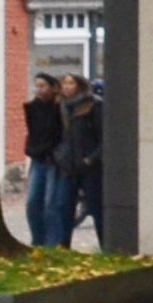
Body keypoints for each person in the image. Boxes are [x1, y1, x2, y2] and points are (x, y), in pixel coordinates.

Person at [57, 69, 109, 248]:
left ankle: (105, 246)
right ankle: (63, 248)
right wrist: (61, 156)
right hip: (68, 166)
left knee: (96, 208)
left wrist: (92, 159)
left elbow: (105, 136)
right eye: (64, 83)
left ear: (79, 85)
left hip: (89, 167)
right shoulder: (63, 106)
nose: (66, 87)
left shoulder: (93, 104)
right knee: (63, 207)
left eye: (70, 83)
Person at [21, 69, 68, 246]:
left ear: (52, 87)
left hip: (54, 159)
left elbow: (61, 134)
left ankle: (52, 242)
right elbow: (33, 133)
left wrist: (55, 153)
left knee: (51, 203)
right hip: (38, 158)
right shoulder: (32, 108)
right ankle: (37, 239)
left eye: (42, 86)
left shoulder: (59, 108)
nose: (38, 90)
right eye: (36, 86)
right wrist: (31, 150)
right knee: (32, 201)